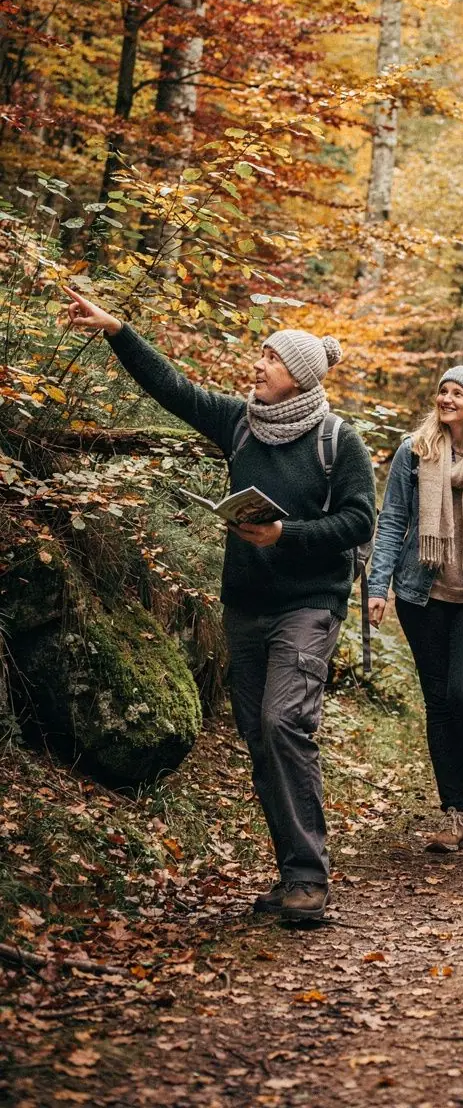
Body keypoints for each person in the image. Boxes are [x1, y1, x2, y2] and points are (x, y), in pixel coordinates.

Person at [64, 287, 376, 925]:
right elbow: (172, 389)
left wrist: (285, 534)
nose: (256, 364)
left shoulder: (338, 441)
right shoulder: (239, 422)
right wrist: (117, 328)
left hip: (311, 604)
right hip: (247, 606)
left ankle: (309, 881)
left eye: (270, 358)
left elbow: (358, 520)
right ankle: (293, 873)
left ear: (301, 377)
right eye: (259, 354)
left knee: (285, 722)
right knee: (260, 739)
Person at [367, 366, 463, 852]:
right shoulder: (415, 451)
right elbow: (392, 523)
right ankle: (454, 812)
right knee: (438, 702)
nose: (447, 398)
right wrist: (377, 586)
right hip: (420, 596)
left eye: (458, 392)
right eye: (443, 391)